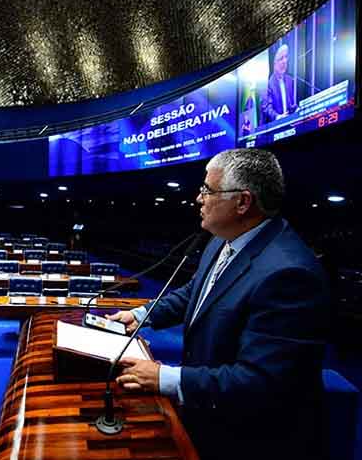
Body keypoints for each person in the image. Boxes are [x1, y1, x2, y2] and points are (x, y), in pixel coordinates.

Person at [107, 148, 330, 460]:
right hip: (210, 415)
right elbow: (196, 293)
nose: (199, 199)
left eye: (207, 190)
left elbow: (261, 381)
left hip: (255, 441)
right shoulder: (223, 240)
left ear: (242, 202)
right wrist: (142, 315)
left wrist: (166, 378)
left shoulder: (290, 274)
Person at [262, 44, 297, 122]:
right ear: (274, 64)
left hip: (289, 122)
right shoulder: (267, 83)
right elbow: (266, 107)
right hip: (274, 125)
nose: (285, 61)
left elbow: (291, 105)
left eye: (286, 57)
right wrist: (278, 117)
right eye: (281, 58)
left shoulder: (290, 80)